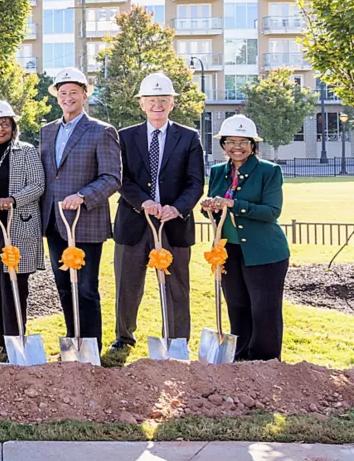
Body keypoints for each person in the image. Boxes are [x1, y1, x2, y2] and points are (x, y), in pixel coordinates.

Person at [111, 73, 205, 351]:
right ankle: (124, 337)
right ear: (142, 104)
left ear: (172, 103)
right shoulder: (125, 137)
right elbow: (121, 178)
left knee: (176, 286)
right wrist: (143, 202)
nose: (157, 105)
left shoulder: (189, 138)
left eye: (163, 100)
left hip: (173, 225)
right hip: (134, 222)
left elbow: (196, 181)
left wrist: (177, 208)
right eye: (151, 100)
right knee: (127, 285)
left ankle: (176, 340)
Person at [38, 67, 122, 349]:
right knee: (63, 285)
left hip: (84, 222)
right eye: (63, 93)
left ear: (85, 95)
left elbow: (112, 177)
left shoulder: (101, 131)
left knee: (85, 289)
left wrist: (84, 196)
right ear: (57, 98)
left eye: (74, 92)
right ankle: (73, 340)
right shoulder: (47, 131)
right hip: (54, 220)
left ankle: (91, 347)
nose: (68, 97)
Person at [200, 114, 289, 361]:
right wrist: (209, 205)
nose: (236, 147)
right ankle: (239, 360)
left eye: (243, 142)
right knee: (237, 307)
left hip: (265, 252)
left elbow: (271, 212)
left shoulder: (268, 171)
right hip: (229, 252)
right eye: (230, 141)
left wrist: (234, 204)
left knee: (263, 310)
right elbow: (216, 206)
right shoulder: (218, 171)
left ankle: (264, 363)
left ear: (253, 145)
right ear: (222, 145)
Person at [0, 100, 46, 355]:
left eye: (4, 123)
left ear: (13, 126)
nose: (0, 128)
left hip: (18, 224)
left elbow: (37, 185)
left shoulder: (26, 151)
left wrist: (12, 200)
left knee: (15, 282)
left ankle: (17, 339)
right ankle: (3, 342)